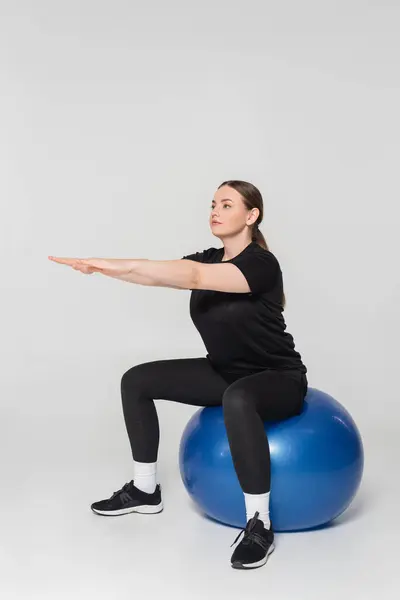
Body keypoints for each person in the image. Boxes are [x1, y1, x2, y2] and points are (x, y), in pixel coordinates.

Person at [48, 179, 308, 571]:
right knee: (137, 380)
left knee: (237, 397)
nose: (215, 211)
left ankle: (260, 524)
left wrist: (110, 265)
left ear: (251, 216)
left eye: (226, 204)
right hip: (225, 371)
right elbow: (154, 274)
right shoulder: (206, 256)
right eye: (212, 204)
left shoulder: (261, 264)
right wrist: (102, 267)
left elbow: (195, 278)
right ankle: (144, 489)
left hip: (277, 377)